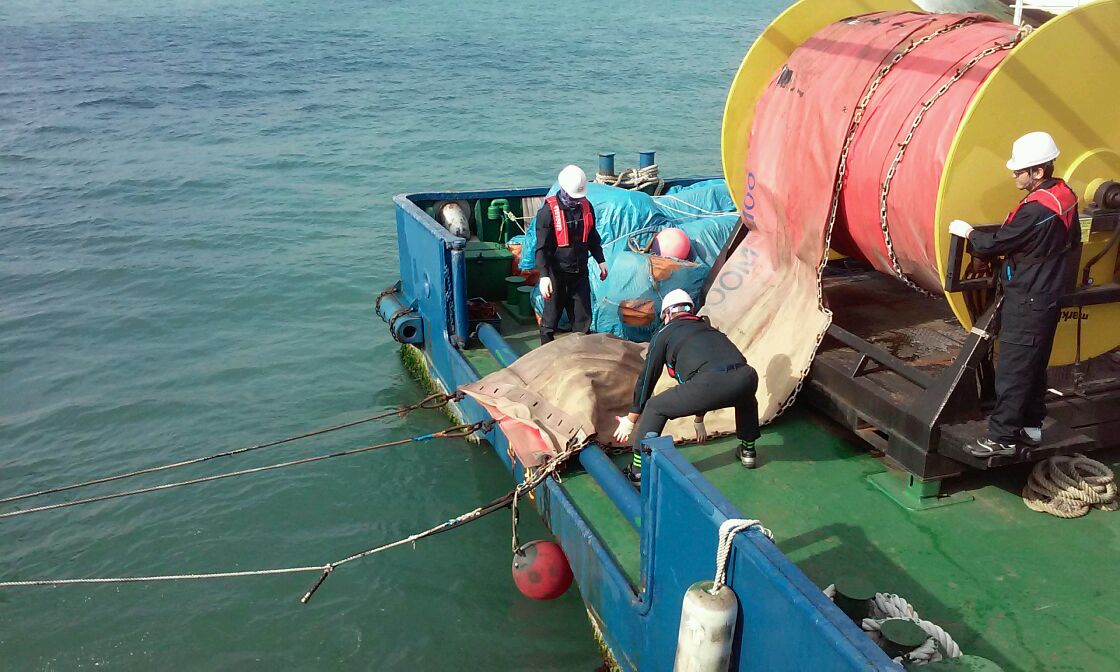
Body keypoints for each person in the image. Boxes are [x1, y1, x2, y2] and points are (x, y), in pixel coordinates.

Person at [948, 131, 1080, 458]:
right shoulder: (1065, 195)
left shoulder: (1035, 211)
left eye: (1019, 171)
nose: (1013, 175)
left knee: (1013, 367)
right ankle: (1032, 427)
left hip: (1028, 298)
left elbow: (997, 244)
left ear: (1039, 172)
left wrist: (968, 234)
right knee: (1034, 364)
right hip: (1048, 293)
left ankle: (1002, 438)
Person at [612, 289, 761, 482]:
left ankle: (639, 470)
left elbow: (648, 376)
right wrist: (699, 420)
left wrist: (631, 418)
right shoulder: (708, 329)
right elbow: (714, 373)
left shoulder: (664, 333)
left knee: (655, 407)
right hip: (746, 377)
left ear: (667, 314)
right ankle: (748, 451)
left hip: (709, 383)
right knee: (745, 397)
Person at [534, 165, 608, 344]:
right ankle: (546, 356)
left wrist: (600, 260)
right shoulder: (547, 213)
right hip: (556, 275)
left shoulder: (586, 207)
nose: (578, 200)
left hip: (579, 273)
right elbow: (541, 248)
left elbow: (592, 236)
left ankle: (581, 355)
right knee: (550, 321)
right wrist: (544, 276)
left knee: (583, 320)